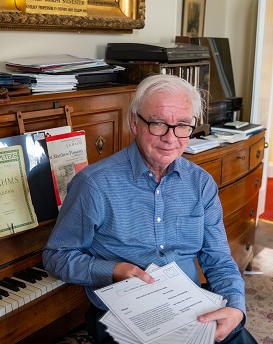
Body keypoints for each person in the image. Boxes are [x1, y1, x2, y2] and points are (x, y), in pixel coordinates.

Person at [42, 74, 257, 344]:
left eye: (182, 125)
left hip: (189, 308)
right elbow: (56, 256)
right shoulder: (94, 184)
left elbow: (219, 259)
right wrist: (113, 270)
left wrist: (236, 307)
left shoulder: (201, 183)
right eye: (158, 124)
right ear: (134, 122)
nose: (171, 138)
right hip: (124, 315)